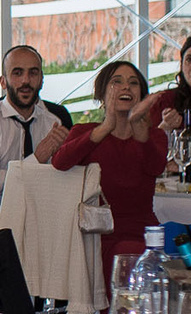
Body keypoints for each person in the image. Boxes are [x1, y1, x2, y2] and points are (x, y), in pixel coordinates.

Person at [52, 58, 164, 286]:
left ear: (141, 96)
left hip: (141, 232)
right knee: (126, 257)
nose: (125, 87)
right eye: (117, 82)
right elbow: (60, 162)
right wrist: (107, 126)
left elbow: (155, 167)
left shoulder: (154, 137)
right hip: (95, 233)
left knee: (139, 256)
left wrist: (140, 132)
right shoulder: (86, 132)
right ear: (101, 95)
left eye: (133, 83)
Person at [0, 44, 74, 211]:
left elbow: (65, 180)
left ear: (42, 80)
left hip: (45, 213)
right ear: (3, 81)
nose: (26, 81)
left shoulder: (54, 122)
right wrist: (36, 159)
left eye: (33, 73)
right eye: (17, 73)